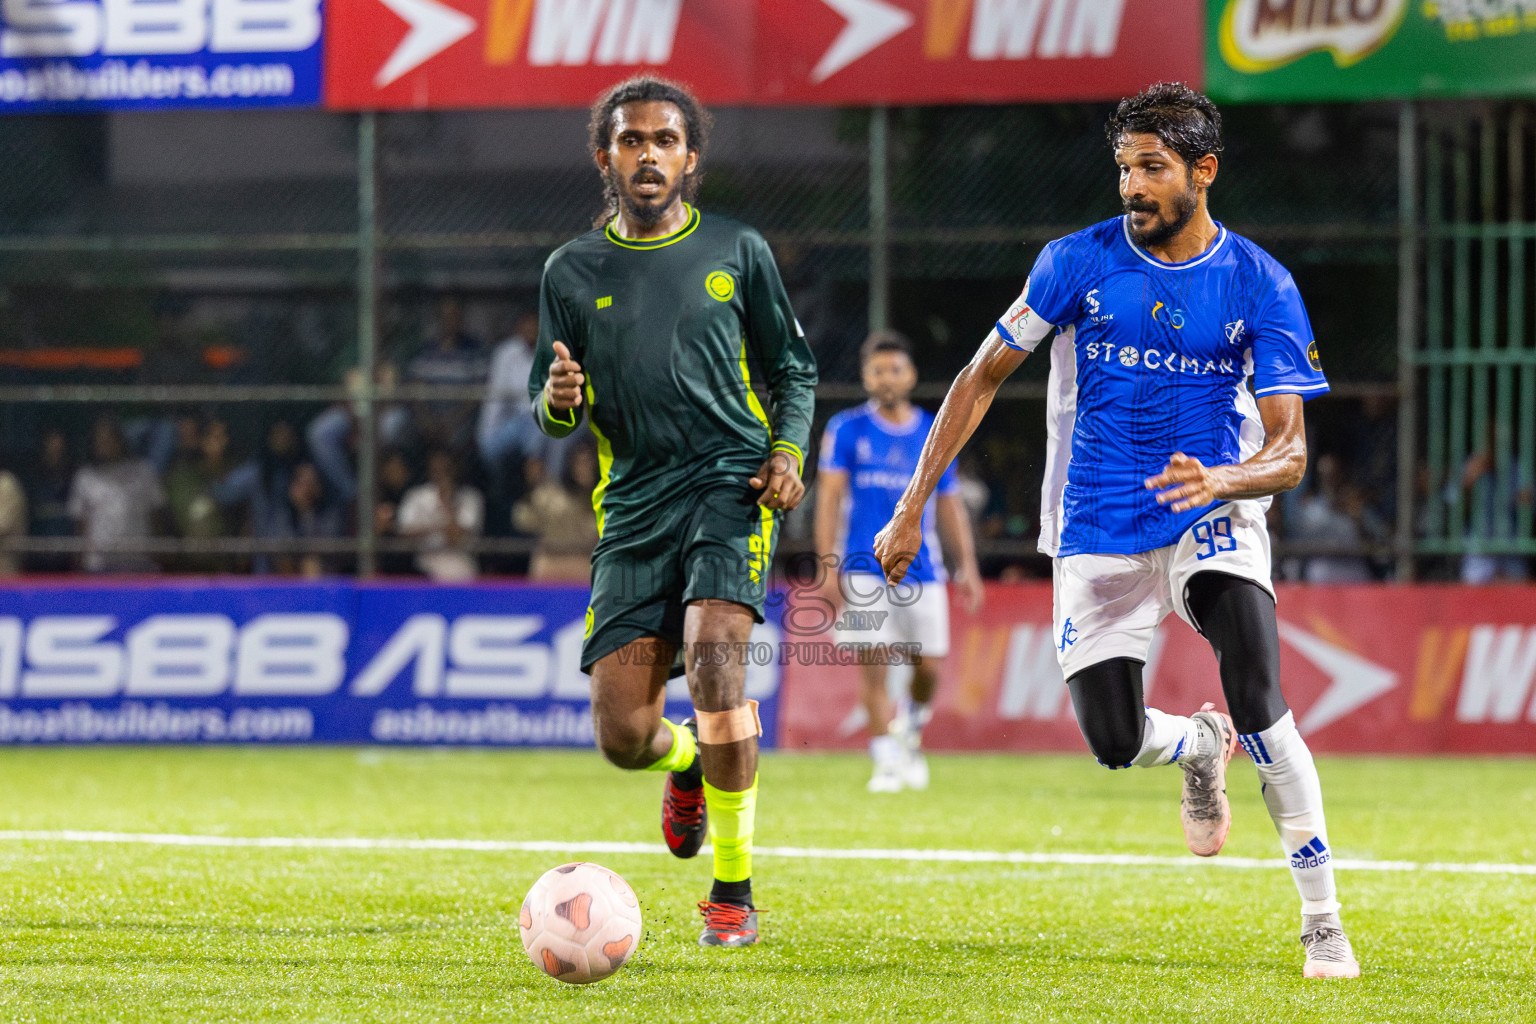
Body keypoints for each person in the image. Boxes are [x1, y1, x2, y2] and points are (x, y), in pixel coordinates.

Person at [873, 83, 1359, 980]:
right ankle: (1195, 746)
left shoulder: (1260, 283)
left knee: (1260, 692)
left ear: (1203, 172)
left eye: (1152, 168)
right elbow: (981, 377)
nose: (1132, 187)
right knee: (1111, 739)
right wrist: (911, 505)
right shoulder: (1073, 262)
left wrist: (1223, 478)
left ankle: (1322, 918)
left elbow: (1288, 454)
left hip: (1208, 512)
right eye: (1124, 168)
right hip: (1096, 519)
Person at [530, 76, 816, 948]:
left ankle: (733, 891)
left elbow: (793, 370)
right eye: (630, 140)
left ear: (690, 158)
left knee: (717, 665)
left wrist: (788, 453)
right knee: (624, 736)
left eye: (664, 140)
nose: (647, 154)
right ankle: (685, 758)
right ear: (605, 156)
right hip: (634, 504)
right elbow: (556, 411)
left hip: (731, 484)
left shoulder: (738, 248)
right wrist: (557, 399)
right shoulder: (571, 271)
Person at [814, 330, 983, 793]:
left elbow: (949, 504)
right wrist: (826, 566)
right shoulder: (846, 429)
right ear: (866, 376)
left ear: (910, 375)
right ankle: (885, 758)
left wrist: (965, 565)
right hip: (863, 570)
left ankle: (909, 729)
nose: (887, 378)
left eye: (895, 369)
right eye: (877, 370)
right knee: (874, 665)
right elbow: (828, 500)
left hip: (922, 569)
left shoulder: (933, 429)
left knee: (927, 668)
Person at [479, 312, 577, 503]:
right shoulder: (506, 353)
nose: (530, 329)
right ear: (518, 327)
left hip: (547, 417)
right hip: (516, 421)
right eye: (526, 323)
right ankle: (500, 495)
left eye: (535, 324)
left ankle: (540, 499)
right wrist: (485, 434)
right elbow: (495, 400)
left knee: (539, 444)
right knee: (489, 448)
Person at [68, 415, 166, 574]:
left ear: (119, 439)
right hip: (99, 566)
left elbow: (156, 518)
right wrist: (78, 567)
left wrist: (161, 557)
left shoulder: (143, 472)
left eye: (109, 438)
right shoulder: (85, 477)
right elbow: (81, 527)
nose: (104, 443)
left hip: (138, 564)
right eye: (99, 439)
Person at [512, 441, 602, 582]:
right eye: (579, 462)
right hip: (550, 558)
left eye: (588, 462)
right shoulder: (550, 494)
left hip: (585, 561)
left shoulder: (605, 498)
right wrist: (532, 488)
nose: (583, 468)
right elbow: (522, 521)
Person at [396, 449, 484, 583]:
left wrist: (447, 502)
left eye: (446, 470)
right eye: (437, 470)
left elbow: (456, 537)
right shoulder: (416, 496)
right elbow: (405, 534)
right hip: (422, 560)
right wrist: (439, 527)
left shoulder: (471, 497)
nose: (441, 475)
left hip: (459, 559)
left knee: (460, 571)